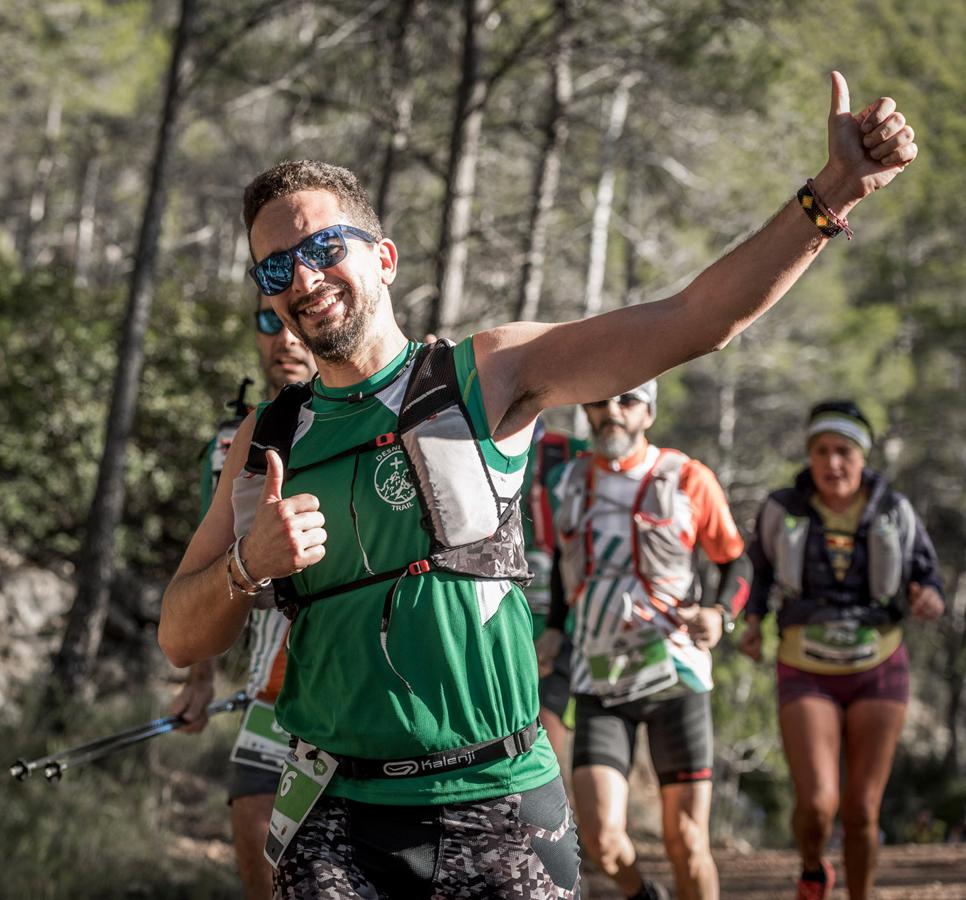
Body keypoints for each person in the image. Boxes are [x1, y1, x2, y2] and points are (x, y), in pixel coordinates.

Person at [159, 72, 916, 899]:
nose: (302, 282)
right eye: (274, 271)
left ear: (382, 257)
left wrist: (833, 192)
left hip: (495, 798)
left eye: (319, 250)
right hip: (331, 811)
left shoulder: (486, 373)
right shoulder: (269, 437)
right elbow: (180, 635)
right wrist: (246, 563)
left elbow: (696, 319)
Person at [539, 381, 749, 900]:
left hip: (675, 675)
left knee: (686, 840)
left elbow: (736, 562)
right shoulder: (565, 483)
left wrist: (721, 615)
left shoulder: (686, 477)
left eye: (627, 400)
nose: (611, 411)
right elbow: (569, 573)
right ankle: (642, 896)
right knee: (601, 841)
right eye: (600, 400)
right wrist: (553, 629)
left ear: (648, 413)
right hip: (599, 677)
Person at [739, 399, 944, 900]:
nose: (833, 463)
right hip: (805, 666)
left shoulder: (893, 509)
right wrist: (751, 622)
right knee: (816, 803)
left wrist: (928, 596)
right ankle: (812, 867)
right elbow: (756, 572)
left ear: (863, 456)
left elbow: (925, 572)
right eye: (823, 451)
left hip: (879, 664)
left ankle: (861, 894)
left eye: (844, 451)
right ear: (809, 455)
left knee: (861, 809)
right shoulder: (781, 509)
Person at [168, 294, 316, 900]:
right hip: (269, 685)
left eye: (296, 322)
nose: (285, 339)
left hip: (352, 680)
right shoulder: (231, 441)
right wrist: (200, 677)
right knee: (257, 843)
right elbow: (205, 568)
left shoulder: (373, 420)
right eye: (268, 321)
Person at [524, 418, 588, 757]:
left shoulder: (571, 453)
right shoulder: (473, 439)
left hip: (565, 620)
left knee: (549, 724)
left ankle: (561, 804)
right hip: (501, 616)